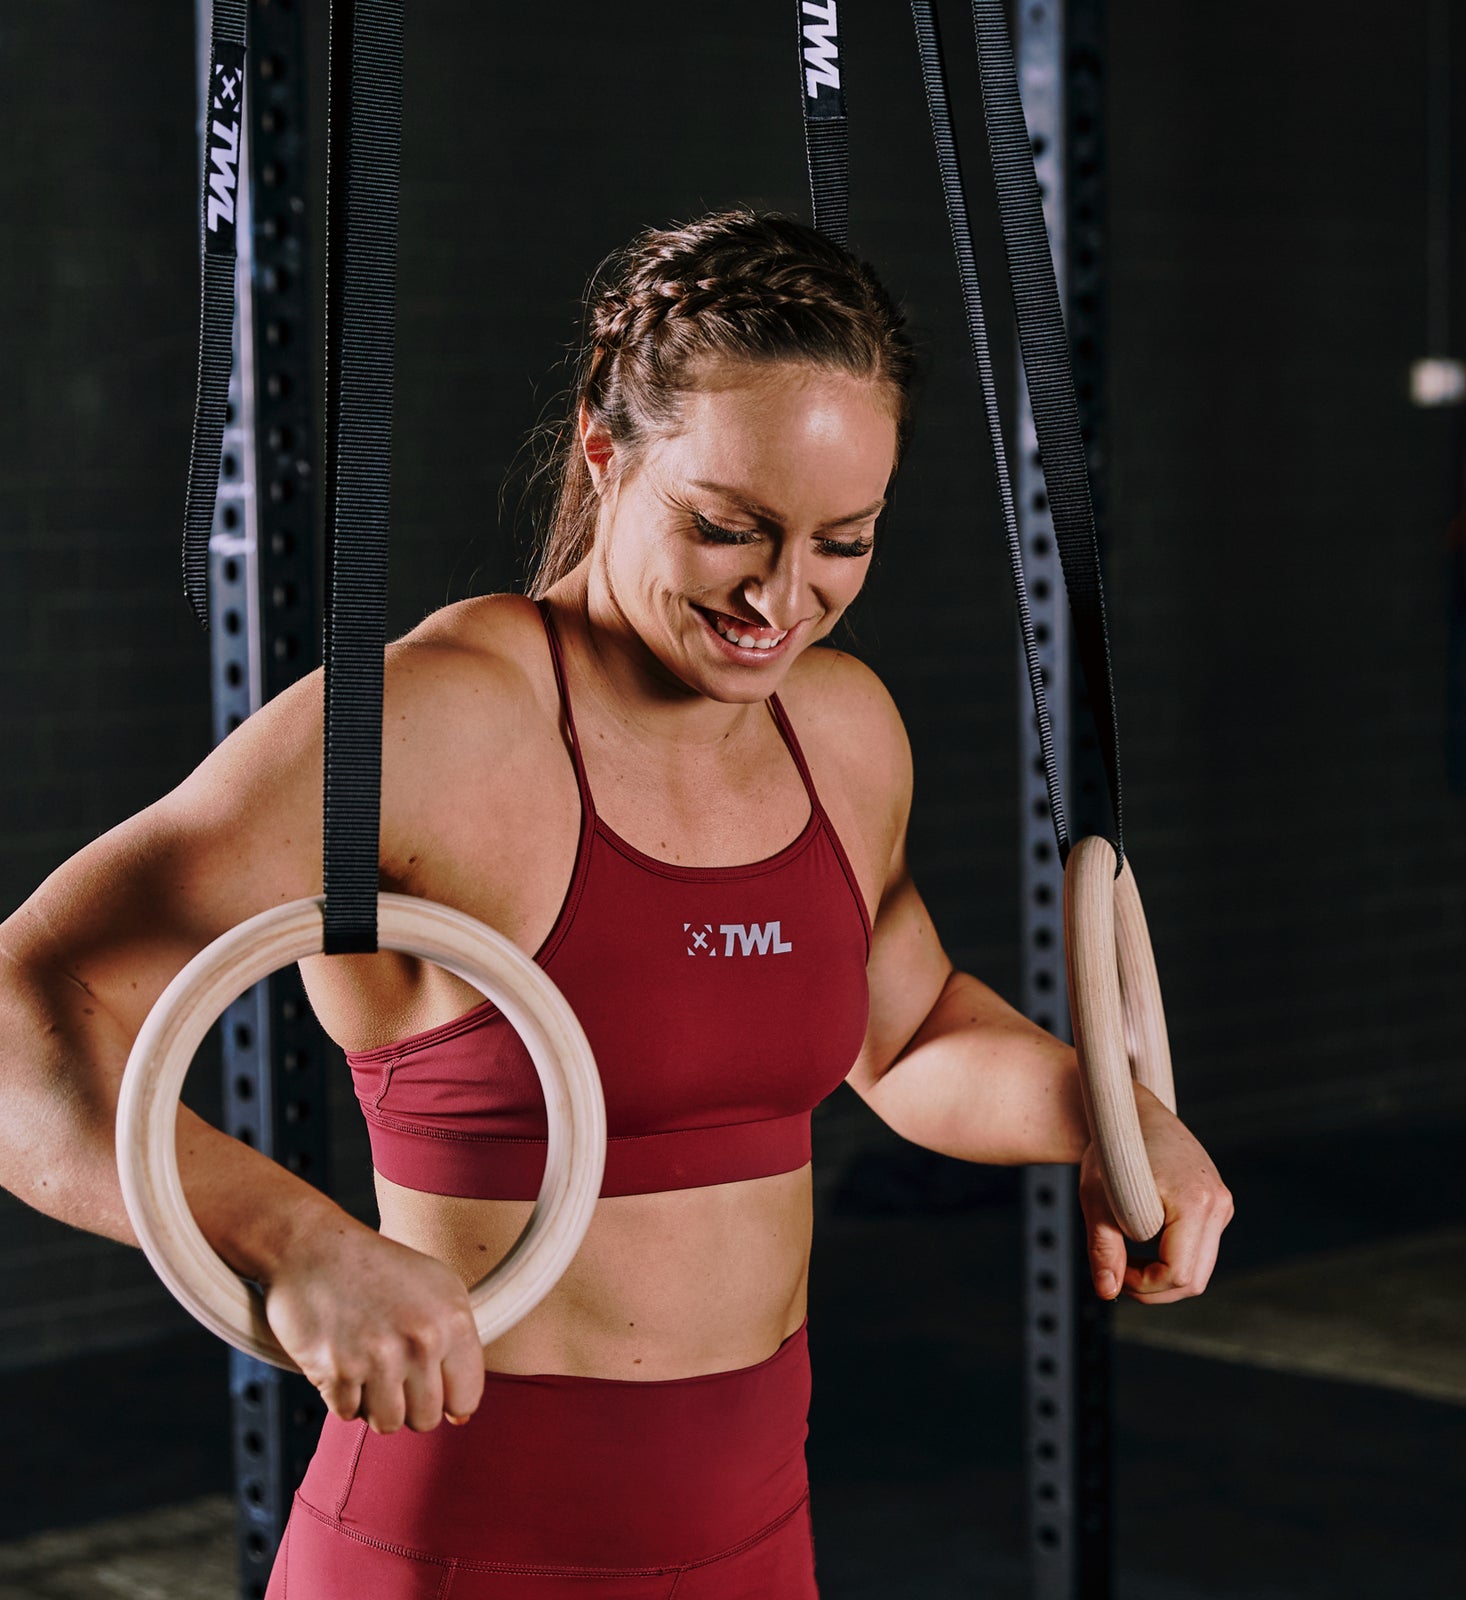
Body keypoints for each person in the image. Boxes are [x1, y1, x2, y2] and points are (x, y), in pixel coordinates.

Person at [0, 208, 1232, 1596]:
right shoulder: (437, 726)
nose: (781, 597)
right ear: (603, 446)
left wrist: (1110, 1117)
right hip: (457, 1552)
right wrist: (292, 1239)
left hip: (756, 1547)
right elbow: (17, 1010)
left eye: (844, 541)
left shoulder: (841, 729)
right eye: (728, 528)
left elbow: (912, 1033)